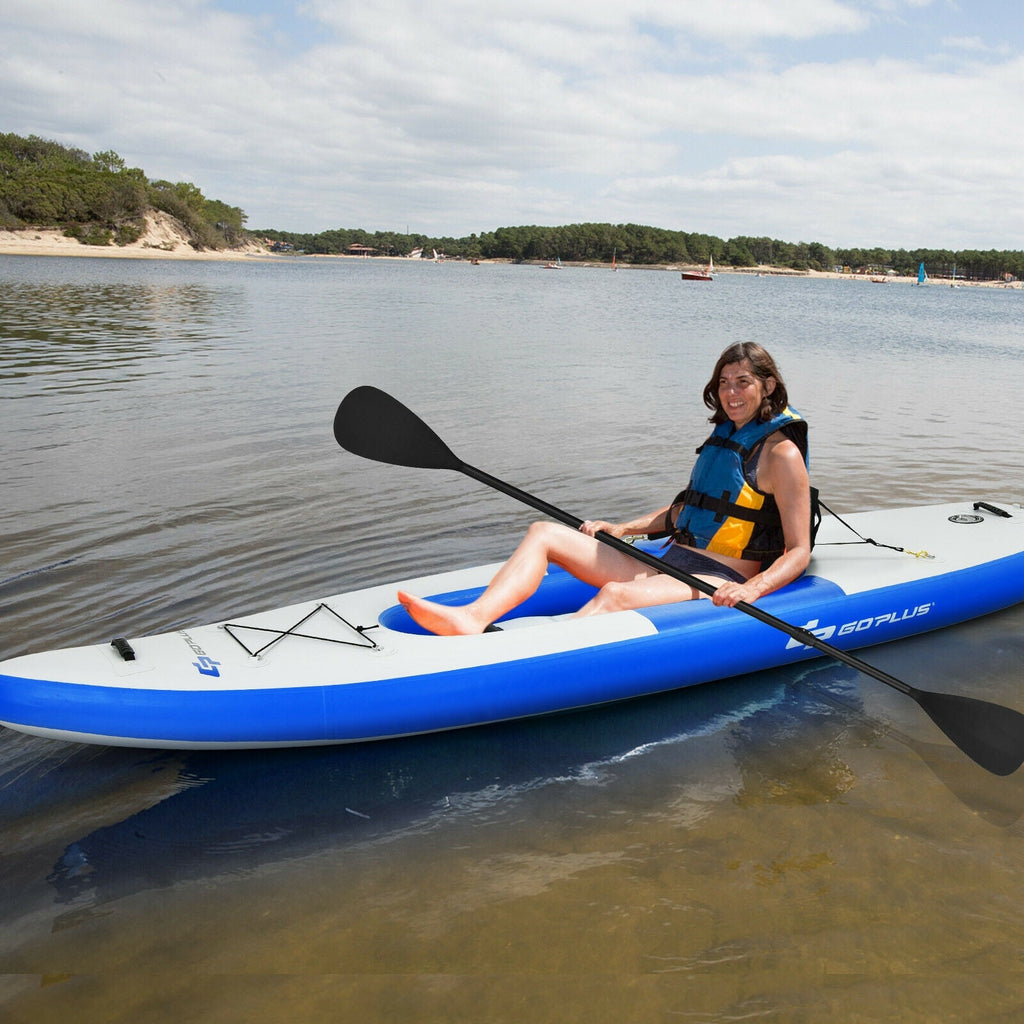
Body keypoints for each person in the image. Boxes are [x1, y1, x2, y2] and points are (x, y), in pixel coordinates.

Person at [398, 342, 812, 636]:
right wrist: (623, 528)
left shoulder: (782, 455)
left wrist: (750, 589)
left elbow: (798, 550)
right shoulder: (726, 438)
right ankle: (473, 617)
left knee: (615, 594)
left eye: (743, 382)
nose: (731, 393)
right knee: (543, 532)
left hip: (716, 574)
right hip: (671, 558)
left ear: (768, 386)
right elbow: (684, 513)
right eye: (724, 383)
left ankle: (534, 657)